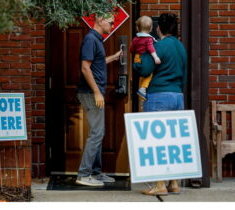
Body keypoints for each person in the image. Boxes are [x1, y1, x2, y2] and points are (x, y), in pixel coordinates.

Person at [133, 13, 187, 196]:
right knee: (173, 141)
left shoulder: (159, 46)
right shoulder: (181, 48)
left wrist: (136, 65)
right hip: (178, 95)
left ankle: (159, 185)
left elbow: (147, 68)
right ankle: (174, 183)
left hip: (159, 96)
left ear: (158, 29)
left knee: (156, 141)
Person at [76, 14, 123, 187]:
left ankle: (95, 172)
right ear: (101, 21)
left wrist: (114, 57)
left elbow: (97, 63)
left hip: (94, 92)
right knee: (96, 133)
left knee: (98, 133)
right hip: (90, 93)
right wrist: (97, 92)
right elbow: (85, 67)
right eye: (110, 22)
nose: (112, 25)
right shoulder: (90, 39)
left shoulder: (96, 39)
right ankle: (84, 174)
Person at [130, 16, 161, 101]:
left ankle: (141, 90)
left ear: (137, 28)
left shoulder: (135, 38)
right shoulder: (149, 39)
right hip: (144, 59)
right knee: (149, 74)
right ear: (151, 28)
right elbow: (151, 49)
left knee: (141, 75)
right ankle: (143, 88)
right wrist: (156, 58)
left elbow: (131, 49)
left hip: (137, 58)